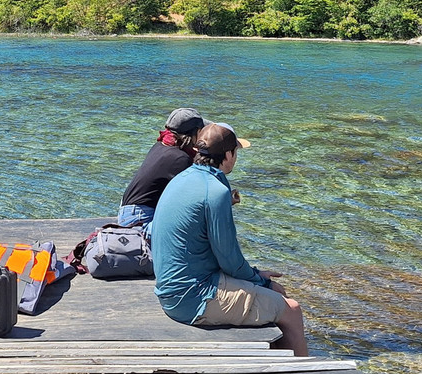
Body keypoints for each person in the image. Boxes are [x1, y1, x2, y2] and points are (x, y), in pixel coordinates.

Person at [150, 122, 308, 356]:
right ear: (227, 154)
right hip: (193, 299)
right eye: (236, 152)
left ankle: (275, 361)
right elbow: (229, 259)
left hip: (174, 289)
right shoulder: (215, 192)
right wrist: (257, 277)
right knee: (292, 309)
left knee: (275, 292)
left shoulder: (184, 178)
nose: (236, 157)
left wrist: (256, 279)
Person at [118, 108, 208, 236]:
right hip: (141, 219)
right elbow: (193, 198)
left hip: (128, 212)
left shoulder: (160, 146)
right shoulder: (181, 159)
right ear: (195, 133)